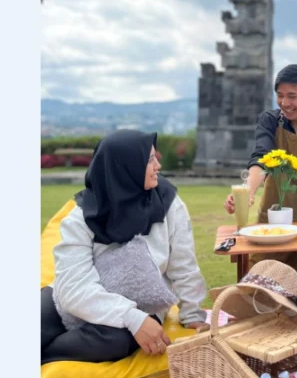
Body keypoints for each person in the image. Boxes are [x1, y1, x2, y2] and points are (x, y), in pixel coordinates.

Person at [41, 130, 208, 365]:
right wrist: (130, 317)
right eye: (150, 160)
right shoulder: (82, 217)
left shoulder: (169, 204)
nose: (158, 165)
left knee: (116, 341)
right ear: (125, 167)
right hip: (70, 304)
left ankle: (45, 357)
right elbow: (72, 289)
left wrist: (192, 316)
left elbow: (184, 266)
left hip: (139, 308)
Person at [223, 64, 297, 301]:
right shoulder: (270, 121)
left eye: (292, 96)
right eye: (280, 95)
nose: (284, 103)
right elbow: (261, 158)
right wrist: (248, 191)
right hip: (270, 229)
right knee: (261, 296)